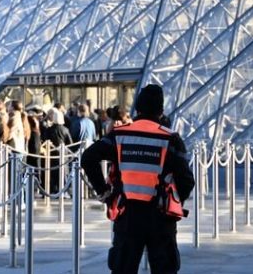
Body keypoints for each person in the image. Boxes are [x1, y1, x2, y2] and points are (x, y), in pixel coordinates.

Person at [81, 85, 195, 274]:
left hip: (127, 214)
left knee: (123, 268)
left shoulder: (120, 134)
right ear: (161, 110)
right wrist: (174, 201)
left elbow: (88, 158)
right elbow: (186, 180)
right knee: (164, 268)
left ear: (137, 109)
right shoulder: (170, 138)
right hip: (160, 215)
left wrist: (104, 192)